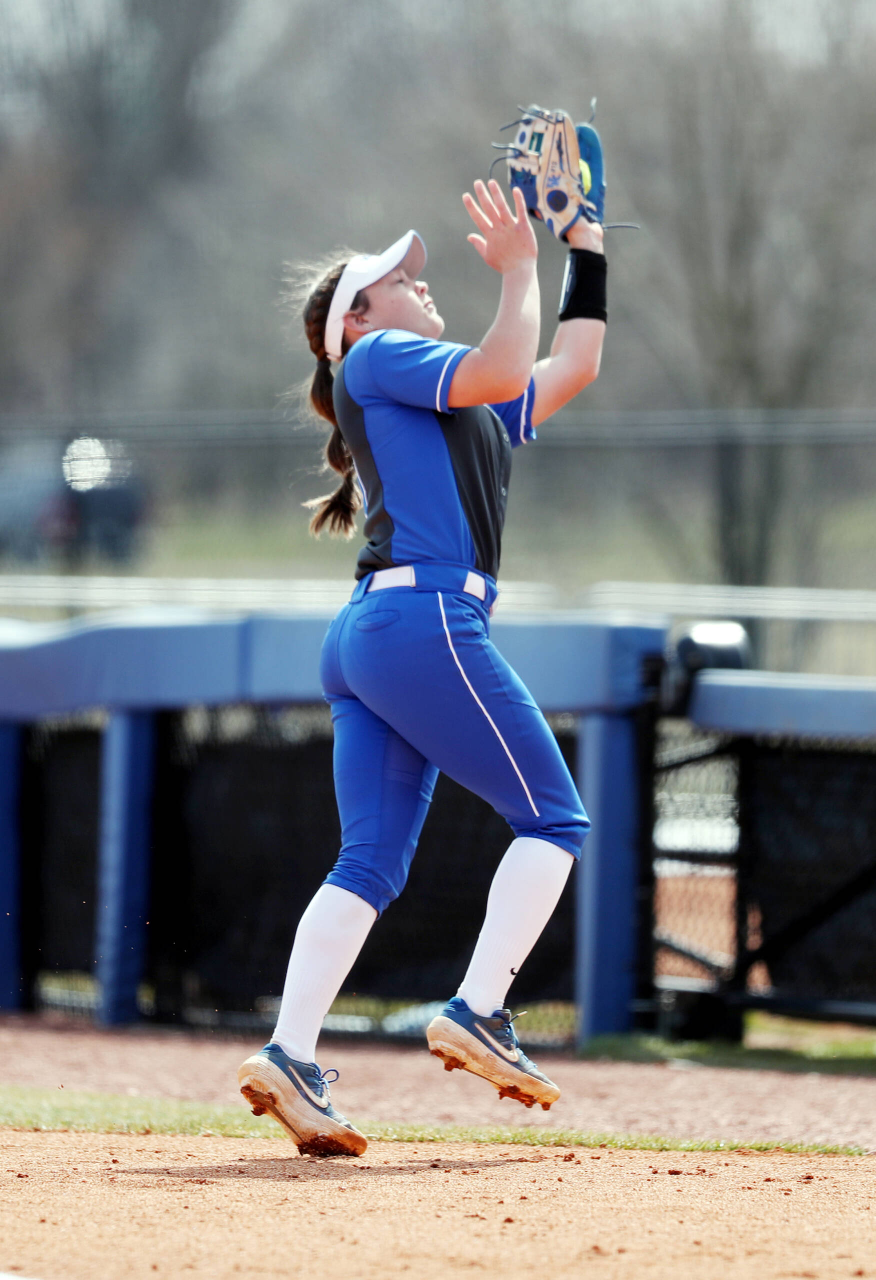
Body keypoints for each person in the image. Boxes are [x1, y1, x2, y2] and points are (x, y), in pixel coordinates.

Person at [238, 178, 608, 1157]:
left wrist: (588, 250)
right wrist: (519, 267)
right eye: (398, 277)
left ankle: (288, 1052)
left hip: (375, 631)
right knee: (554, 817)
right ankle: (479, 1009)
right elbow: (496, 365)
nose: (419, 280)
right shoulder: (379, 360)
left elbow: (571, 361)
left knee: (369, 861)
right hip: (424, 617)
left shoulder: (439, 395)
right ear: (353, 320)